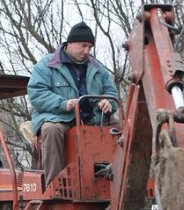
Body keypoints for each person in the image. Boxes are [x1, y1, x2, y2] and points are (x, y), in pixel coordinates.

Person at [28, 22, 119, 184]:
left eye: (90, 47)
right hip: (61, 118)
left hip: (94, 119)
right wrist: (63, 104)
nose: (87, 51)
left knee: (121, 130)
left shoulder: (98, 68)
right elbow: (37, 93)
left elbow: (111, 93)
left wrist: (108, 103)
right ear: (69, 43)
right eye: (83, 46)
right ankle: (55, 184)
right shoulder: (46, 65)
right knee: (51, 130)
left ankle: (118, 179)